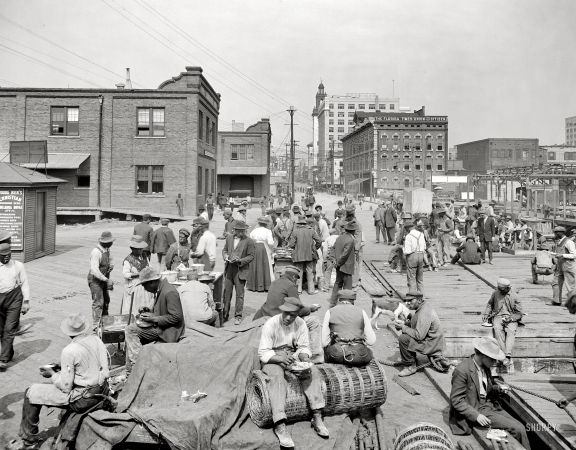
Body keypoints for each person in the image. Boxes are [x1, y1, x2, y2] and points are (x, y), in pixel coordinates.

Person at [7, 314, 110, 450]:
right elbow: (90, 365)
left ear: (68, 332)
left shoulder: (69, 350)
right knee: (43, 388)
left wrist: (53, 375)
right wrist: (62, 367)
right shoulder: (96, 339)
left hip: (83, 400)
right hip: (102, 391)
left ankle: (28, 441)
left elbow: (66, 387)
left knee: (30, 392)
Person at [258, 297, 328, 447]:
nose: (289, 318)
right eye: (286, 314)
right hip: (272, 357)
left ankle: (317, 415)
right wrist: (279, 359)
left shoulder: (301, 324)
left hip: (292, 355)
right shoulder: (271, 324)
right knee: (277, 377)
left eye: (293, 315)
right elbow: (263, 352)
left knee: (312, 370)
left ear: (298, 314)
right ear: (282, 311)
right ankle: (280, 424)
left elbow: (303, 346)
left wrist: (304, 357)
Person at [449, 336, 530, 449]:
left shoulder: (485, 366)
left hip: (489, 406)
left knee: (521, 426)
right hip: (476, 409)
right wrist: (476, 416)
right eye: (492, 359)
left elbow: (484, 388)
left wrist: (498, 388)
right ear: (482, 354)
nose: (495, 362)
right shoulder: (462, 370)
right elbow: (456, 400)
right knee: (517, 429)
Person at [124, 267, 185, 375]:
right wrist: (149, 310)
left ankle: (138, 365)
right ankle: (135, 365)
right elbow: (163, 310)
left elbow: (176, 317)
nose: (144, 288)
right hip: (162, 327)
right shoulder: (161, 289)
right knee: (133, 328)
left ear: (151, 282)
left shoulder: (169, 292)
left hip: (168, 332)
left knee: (130, 330)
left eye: (144, 285)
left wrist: (154, 319)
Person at [253, 265, 322, 355]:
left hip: (267, 313)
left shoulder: (274, 282)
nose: (296, 281)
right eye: (296, 279)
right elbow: (297, 310)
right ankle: (315, 353)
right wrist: (310, 309)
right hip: (280, 316)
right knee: (314, 321)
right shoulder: (291, 286)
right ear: (293, 277)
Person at [394, 291, 446, 377]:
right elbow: (418, 326)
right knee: (406, 332)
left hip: (432, 345)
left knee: (403, 339)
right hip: (431, 340)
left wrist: (403, 327)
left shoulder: (424, 313)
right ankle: (412, 359)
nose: (408, 303)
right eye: (407, 301)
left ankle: (410, 366)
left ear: (419, 300)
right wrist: (406, 324)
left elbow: (419, 336)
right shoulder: (423, 307)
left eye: (411, 300)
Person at [322, 289, 375, 366]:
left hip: (337, 355)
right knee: (369, 353)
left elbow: (324, 342)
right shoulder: (362, 312)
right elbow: (371, 341)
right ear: (353, 301)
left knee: (327, 351)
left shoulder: (330, 312)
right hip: (359, 355)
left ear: (339, 299)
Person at [0, 242, 30, 370]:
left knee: (9, 328)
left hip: (14, 298)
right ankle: (9, 353)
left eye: (8, 255)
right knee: (1, 330)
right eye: (2, 255)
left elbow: (24, 283)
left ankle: (3, 358)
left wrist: (26, 302)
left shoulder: (18, 265)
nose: (6, 258)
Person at [482, 278, 523, 366]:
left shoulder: (515, 296)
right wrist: (486, 314)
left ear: (508, 288)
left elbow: (519, 313)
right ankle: (504, 355)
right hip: (498, 316)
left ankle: (506, 355)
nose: (500, 291)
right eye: (499, 289)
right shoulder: (495, 293)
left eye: (502, 290)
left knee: (511, 330)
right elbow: (490, 304)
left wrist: (511, 319)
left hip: (511, 317)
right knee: (497, 328)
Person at [222, 221, 255, 324]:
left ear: (244, 231)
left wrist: (240, 260)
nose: (240, 233)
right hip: (229, 269)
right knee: (227, 293)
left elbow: (251, 256)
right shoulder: (229, 238)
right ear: (234, 230)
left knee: (239, 294)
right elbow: (224, 250)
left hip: (241, 270)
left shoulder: (249, 241)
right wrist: (226, 257)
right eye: (238, 231)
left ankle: (238, 316)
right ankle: (225, 314)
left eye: (242, 231)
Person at [88, 231, 115, 332]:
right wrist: (107, 279)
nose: (112, 243)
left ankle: (104, 320)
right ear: (105, 242)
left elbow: (111, 261)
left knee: (106, 300)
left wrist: (110, 269)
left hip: (104, 279)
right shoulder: (96, 252)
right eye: (110, 242)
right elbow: (94, 270)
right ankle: (96, 325)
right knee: (98, 302)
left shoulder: (107, 250)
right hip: (95, 280)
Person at [120, 236, 155, 315]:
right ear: (132, 248)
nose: (141, 250)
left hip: (145, 283)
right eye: (138, 249)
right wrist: (138, 274)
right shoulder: (128, 260)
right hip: (134, 285)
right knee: (134, 306)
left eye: (141, 248)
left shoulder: (144, 256)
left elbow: (150, 266)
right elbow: (125, 274)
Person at [288, 217, 322, 295]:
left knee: (299, 272)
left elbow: (291, 244)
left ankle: (299, 290)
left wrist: (296, 248)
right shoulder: (311, 231)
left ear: (299, 224)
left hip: (299, 255)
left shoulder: (295, 232)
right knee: (310, 272)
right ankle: (311, 290)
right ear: (305, 224)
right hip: (309, 254)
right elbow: (319, 240)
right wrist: (315, 248)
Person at [330, 221, 356, 307]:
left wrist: (334, 260)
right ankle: (347, 302)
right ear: (353, 231)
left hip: (338, 265)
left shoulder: (339, 237)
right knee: (347, 286)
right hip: (346, 266)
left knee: (338, 283)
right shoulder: (350, 240)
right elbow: (345, 254)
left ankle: (333, 301)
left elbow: (333, 248)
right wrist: (339, 263)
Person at [247, 217, 276, 292]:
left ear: (259, 223)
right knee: (265, 265)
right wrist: (272, 250)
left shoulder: (254, 231)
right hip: (264, 248)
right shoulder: (268, 231)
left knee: (255, 265)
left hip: (255, 247)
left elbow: (250, 240)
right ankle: (265, 285)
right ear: (266, 224)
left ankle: (254, 285)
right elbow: (271, 243)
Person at [550, 226, 576, 306]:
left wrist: (562, 255)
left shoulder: (569, 242)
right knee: (555, 283)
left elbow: (574, 255)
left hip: (568, 266)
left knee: (570, 285)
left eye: (556, 233)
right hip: (560, 266)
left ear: (561, 233)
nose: (555, 234)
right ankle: (556, 300)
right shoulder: (559, 242)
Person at [403, 221, 426, 292]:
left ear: (408, 228)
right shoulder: (421, 234)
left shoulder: (408, 236)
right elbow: (424, 247)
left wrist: (403, 249)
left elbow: (407, 251)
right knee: (420, 278)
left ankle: (413, 296)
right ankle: (422, 296)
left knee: (412, 277)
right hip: (421, 255)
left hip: (412, 256)